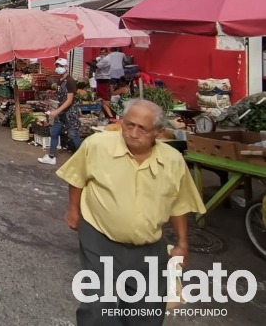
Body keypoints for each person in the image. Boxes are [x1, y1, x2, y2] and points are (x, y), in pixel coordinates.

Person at [56, 99, 206, 325]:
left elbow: (179, 204)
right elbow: (77, 177)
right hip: (99, 238)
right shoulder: (97, 145)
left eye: (142, 128)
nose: (133, 133)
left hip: (149, 248)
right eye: (129, 125)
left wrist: (183, 243)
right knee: (97, 311)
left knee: (146, 314)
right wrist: (73, 210)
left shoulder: (172, 160)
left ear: (159, 132)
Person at [38, 58, 82, 165]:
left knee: (73, 135)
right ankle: (51, 156)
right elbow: (62, 95)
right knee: (54, 132)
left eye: (61, 66)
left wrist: (57, 111)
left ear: (66, 67)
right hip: (61, 111)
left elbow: (70, 100)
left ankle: (83, 157)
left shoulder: (70, 81)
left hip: (69, 112)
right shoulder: (60, 80)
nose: (58, 68)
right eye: (57, 66)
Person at [93, 49, 115, 119]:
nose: (102, 53)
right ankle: (103, 114)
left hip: (104, 80)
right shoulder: (101, 58)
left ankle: (111, 116)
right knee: (101, 98)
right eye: (101, 52)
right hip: (100, 80)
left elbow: (96, 66)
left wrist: (90, 63)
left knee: (105, 100)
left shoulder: (106, 59)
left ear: (107, 53)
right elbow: (95, 59)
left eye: (103, 52)